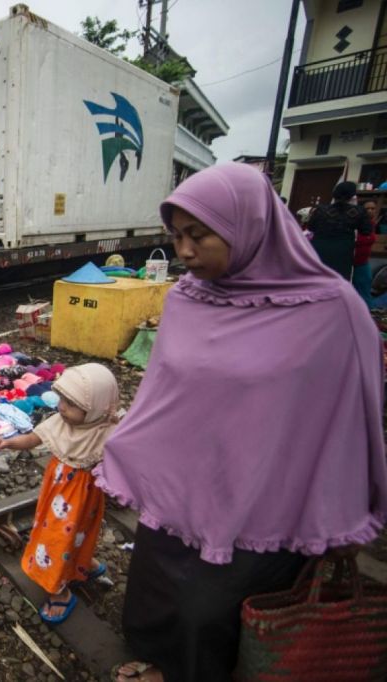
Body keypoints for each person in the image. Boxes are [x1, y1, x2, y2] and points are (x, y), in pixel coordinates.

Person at [96, 164, 387, 682]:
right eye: (177, 236)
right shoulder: (187, 298)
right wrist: (125, 445)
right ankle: (161, 659)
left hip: (266, 492)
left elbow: (353, 415)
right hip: (183, 482)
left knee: (211, 606)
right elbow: (164, 389)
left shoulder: (332, 309)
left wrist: (349, 508)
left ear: (249, 226)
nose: (185, 251)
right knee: (158, 585)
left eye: (199, 235)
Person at [0, 363, 120, 624]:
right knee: (61, 535)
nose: (62, 408)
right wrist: (9, 442)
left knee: (68, 536)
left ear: (96, 408)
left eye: (71, 404)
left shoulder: (106, 432)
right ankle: (76, 570)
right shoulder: (61, 421)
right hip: (58, 493)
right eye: (62, 400)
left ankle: (63, 586)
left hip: (83, 498)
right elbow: (33, 438)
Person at [307, 180, 369, 279]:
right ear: (352, 196)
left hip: (319, 247)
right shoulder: (359, 211)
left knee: (315, 278)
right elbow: (366, 231)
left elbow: (311, 227)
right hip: (342, 251)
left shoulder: (321, 209)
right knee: (338, 279)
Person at [353, 200, 378, 306]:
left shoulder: (371, 224)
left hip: (363, 261)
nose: (370, 211)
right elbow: (355, 240)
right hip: (353, 262)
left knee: (365, 286)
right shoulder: (355, 223)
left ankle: (367, 309)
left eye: (373, 208)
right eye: (367, 208)